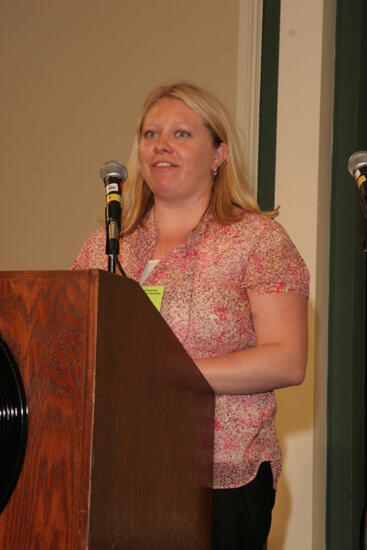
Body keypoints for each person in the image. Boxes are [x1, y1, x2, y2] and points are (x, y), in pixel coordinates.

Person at [72, 82, 309, 550]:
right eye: (150, 133)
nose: (160, 144)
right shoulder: (106, 244)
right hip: (116, 471)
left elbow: (287, 360)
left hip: (220, 477)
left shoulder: (256, 240)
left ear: (218, 153)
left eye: (181, 134)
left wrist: (171, 374)